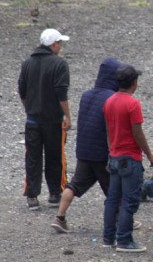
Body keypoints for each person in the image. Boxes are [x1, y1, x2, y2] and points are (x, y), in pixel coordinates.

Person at [51, 58, 120, 233]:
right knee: (114, 188)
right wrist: (112, 153)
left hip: (83, 150)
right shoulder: (112, 98)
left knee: (74, 185)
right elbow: (110, 128)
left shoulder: (87, 94)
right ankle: (122, 221)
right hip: (101, 153)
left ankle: (60, 217)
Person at [102, 64, 153, 253]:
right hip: (130, 158)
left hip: (114, 155)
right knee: (130, 200)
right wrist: (149, 154)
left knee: (112, 199)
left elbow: (108, 130)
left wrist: (111, 150)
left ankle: (108, 238)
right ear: (134, 83)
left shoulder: (109, 101)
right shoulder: (133, 104)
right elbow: (137, 132)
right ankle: (125, 240)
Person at [18, 28, 72, 211]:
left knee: (32, 158)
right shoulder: (59, 64)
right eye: (60, 43)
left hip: (33, 120)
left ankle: (32, 196)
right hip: (54, 121)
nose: (61, 46)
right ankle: (55, 193)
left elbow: (22, 91)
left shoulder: (27, 63)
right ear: (54, 44)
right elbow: (61, 93)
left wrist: (28, 110)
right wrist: (68, 116)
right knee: (55, 156)